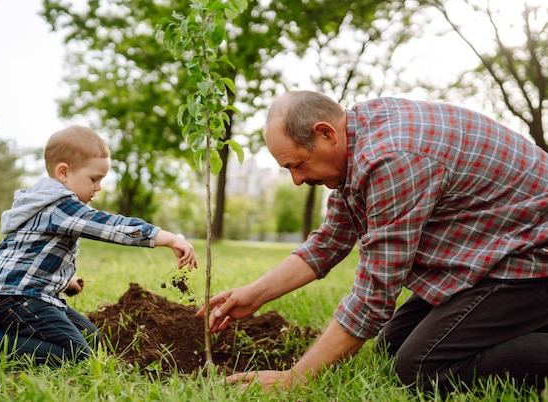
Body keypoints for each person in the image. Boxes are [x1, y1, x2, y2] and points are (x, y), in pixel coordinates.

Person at [197, 90, 548, 394]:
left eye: (298, 165)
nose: (297, 180)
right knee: (389, 349)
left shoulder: (391, 158)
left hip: (530, 256)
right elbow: (329, 242)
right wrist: (254, 295)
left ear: (325, 133)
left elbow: (374, 296)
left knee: (419, 369)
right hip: (492, 252)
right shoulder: (357, 140)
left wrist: (296, 378)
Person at [0, 125, 197, 366]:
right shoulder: (61, 206)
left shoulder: (45, 203)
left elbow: (26, 256)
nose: (99, 187)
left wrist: (64, 281)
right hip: (18, 300)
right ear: (64, 172)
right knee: (77, 355)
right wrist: (169, 238)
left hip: (28, 296)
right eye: (94, 179)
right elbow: (111, 226)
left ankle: (4, 330)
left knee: (91, 338)